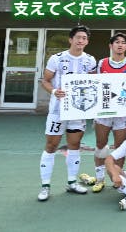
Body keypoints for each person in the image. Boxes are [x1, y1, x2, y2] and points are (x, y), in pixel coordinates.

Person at [36, 25, 97, 202]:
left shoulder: (90, 60)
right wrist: (54, 91)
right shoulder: (57, 58)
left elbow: (94, 83)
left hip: (78, 110)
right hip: (58, 110)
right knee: (51, 145)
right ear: (71, 39)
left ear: (87, 41)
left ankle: (72, 182)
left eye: (84, 38)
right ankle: (45, 186)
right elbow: (45, 81)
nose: (81, 41)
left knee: (74, 145)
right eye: (78, 37)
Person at [78, 32, 126, 193]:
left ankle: (118, 178)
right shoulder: (102, 63)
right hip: (103, 111)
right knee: (101, 144)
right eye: (116, 42)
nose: (120, 45)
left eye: (123, 42)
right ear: (111, 45)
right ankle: (100, 178)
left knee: (120, 147)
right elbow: (92, 84)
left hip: (122, 112)